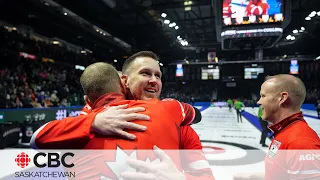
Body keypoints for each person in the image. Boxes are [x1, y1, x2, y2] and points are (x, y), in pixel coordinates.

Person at [31, 52, 213, 179]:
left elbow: (205, 177)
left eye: (158, 76)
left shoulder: (179, 124)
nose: (154, 81)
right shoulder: (90, 117)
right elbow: (40, 138)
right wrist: (94, 122)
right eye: (145, 73)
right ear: (123, 81)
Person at [234, 74, 320, 180]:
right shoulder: (286, 132)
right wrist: (253, 177)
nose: (259, 101)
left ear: (282, 98)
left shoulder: (301, 142)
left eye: (263, 96)